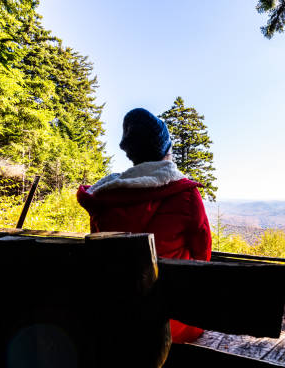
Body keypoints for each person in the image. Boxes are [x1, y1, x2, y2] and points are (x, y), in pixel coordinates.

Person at [77, 107, 211, 343]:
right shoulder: (186, 195)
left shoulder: (104, 198)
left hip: (115, 315)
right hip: (172, 322)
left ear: (132, 154)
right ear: (166, 151)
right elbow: (203, 257)